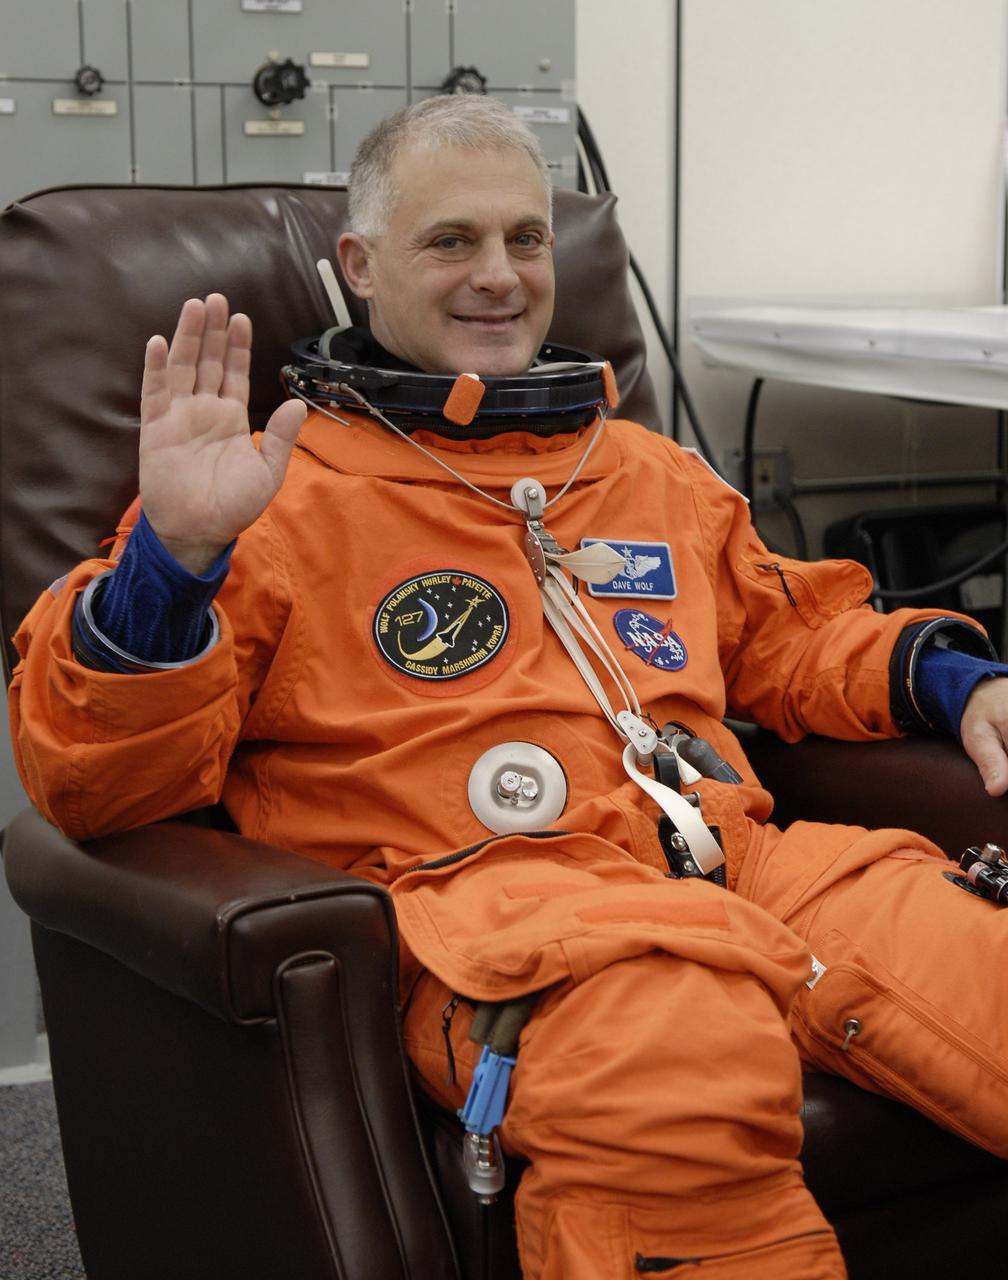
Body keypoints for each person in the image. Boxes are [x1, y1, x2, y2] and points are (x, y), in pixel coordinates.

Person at [9, 94, 1008, 1280]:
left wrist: (958, 680)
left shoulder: (636, 465)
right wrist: (169, 566)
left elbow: (793, 628)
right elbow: (101, 779)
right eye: (452, 241)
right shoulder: (266, 493)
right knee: (677, 1060)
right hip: (487, 902)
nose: (501, 275)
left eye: (526, 239)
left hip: (736, 857)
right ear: (359, 267)